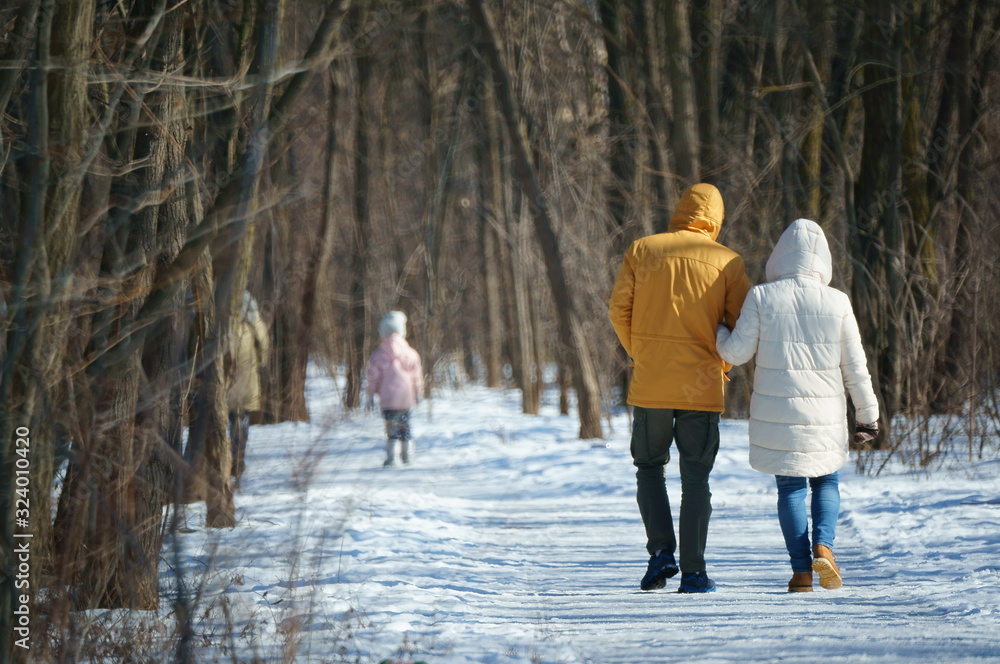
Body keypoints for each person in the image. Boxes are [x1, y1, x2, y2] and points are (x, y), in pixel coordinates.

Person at [715, 218, 880, 592]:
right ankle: (825, 545)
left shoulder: (762, 296)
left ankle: (802, 572)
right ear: (822, 258)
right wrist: (867, 416)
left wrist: (718, 329)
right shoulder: (838, 301)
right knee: (827, 480)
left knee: (790, 488)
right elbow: (856, 366)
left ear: (779, 256)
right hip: (826, 415)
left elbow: (735, 353)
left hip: (779, 416)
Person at [609, 183, 750, 593]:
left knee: (649, 468)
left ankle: (660, 555)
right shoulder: (727, 262)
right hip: (701, 387)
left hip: (651, 383)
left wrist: (644, 352)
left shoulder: (642, 249)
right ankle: (693, 572)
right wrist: (720, 361)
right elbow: (742, 324)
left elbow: (619, 309)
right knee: (695, 479)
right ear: (717, 218)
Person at [366, 311, 424, 466]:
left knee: (391, 425)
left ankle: (392, 456)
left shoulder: (379, 354)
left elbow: (372, 376)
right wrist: (419, 392)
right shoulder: (411, 353)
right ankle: (407, 455)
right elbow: (417, 375)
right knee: (405, 425)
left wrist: (370, 393)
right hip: (406, 397)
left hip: (387, 398)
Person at [226, 292, 270, 480]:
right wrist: (259, 362)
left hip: (224, 384)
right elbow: (264, 349)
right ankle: (238, 458)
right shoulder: (255, 324)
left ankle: (226, 459)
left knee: (224, 420)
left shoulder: (223, 324)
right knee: (241, 420)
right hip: (247, 382)